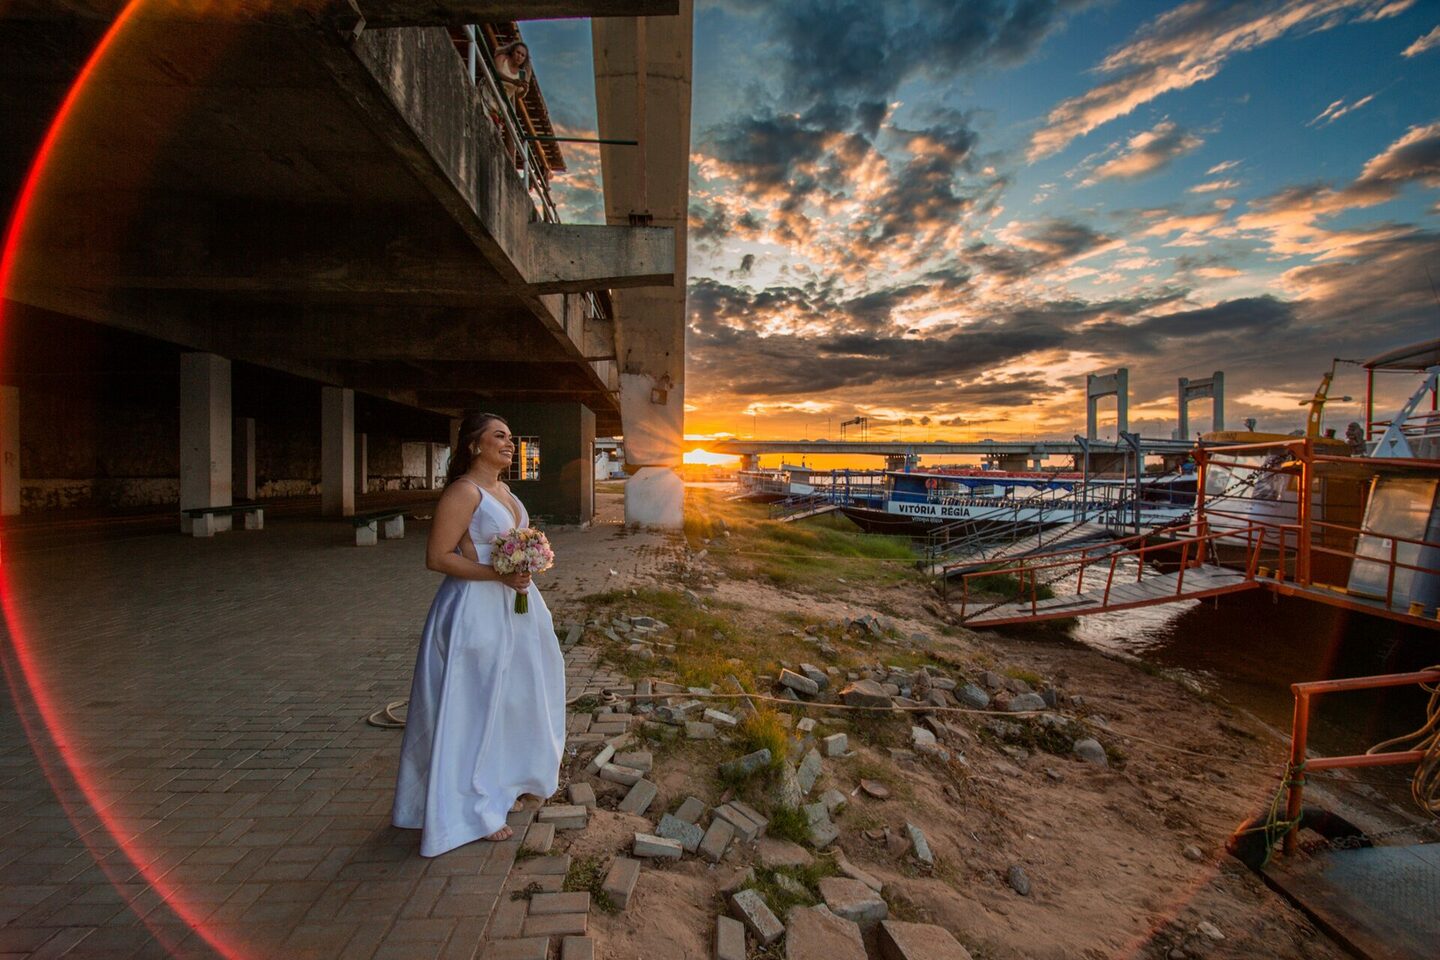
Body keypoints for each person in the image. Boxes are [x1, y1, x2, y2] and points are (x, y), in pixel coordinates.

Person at [392, 411, 565, 856]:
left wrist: (525, 564)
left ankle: (504, 784)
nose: (509, 443)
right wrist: (498, 572)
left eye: (511, 436)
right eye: (499, 436)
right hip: (475, 609)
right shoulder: (463, 492)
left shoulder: (504, 490)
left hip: (516, 605)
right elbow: (437, 557)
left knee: (514, 697)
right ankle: (470, 808)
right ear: (474, 445)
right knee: (474, 703)